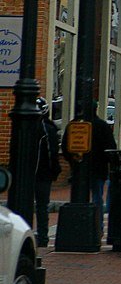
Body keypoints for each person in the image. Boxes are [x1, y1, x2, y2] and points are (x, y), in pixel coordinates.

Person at [35, 99, 61, 248]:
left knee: (34, 206)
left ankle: (38, 235)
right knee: (42, 206)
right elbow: (52, 152)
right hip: (43, 173)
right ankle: (42, 236)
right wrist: (54, 170)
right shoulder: (48, 128)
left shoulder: (28, 126)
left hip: (33, 173)